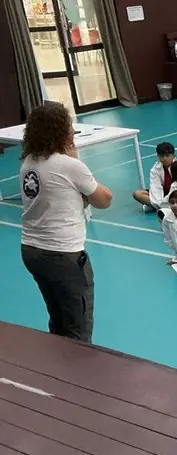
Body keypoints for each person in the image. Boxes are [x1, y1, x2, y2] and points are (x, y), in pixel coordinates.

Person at [19, 101, 113, 343]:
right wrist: (75, 158)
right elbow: (104, 200)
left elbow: (63, 199)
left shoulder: (28, 162)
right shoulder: (69, 165)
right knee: (78, 328)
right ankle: (78, 377)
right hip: (63, 254)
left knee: (57, 319)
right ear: (60, 131)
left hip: (31, 251)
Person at [132, 142, 176, 213]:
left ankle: (156, 207)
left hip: (175, 194)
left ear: (173, 155)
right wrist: (159, 203)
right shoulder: (155, 169)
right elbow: (156, 188)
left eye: (167, 155)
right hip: (162, 194)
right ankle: (164, 208)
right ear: (158, 156)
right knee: (137, 194)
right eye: (162, 156)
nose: (164, 158)